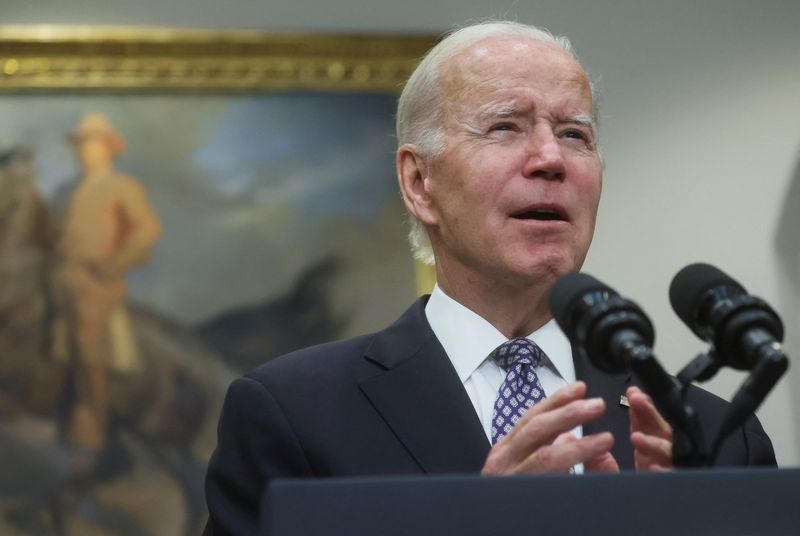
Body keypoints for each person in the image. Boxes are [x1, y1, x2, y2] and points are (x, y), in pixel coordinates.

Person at [203, 21, 775, 536]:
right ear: (419, 182)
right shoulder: (293, 415)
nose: (551, 158)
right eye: (506, 127)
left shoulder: (715, 435)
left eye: (575, 134)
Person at [56, 113, 162, 454]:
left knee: (87, 334)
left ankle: (93, 419)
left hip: (97, 280)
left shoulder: (122, 186)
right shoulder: (67, 191)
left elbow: (147, 229)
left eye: (93, 144)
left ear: (108, 149)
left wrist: (112, 263)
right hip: (61, 275)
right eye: (82, 145)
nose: (86, 151)